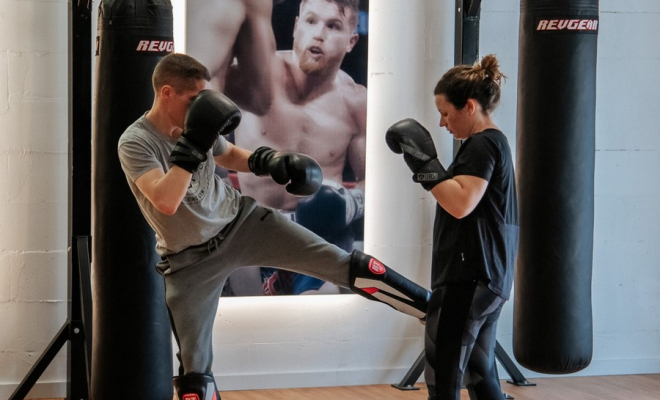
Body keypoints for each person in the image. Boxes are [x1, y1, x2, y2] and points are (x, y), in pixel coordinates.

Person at [117, 52, 430, 400]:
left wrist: (268, 161)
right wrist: (192, 143)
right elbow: (165, 201)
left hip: (242, 223)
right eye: (193, 100)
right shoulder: (136, 142)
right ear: (166, 93)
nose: (199, 107)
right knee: (195, 370)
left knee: (338, 261)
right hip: (190, 261)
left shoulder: (196, 125)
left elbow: (226, 154)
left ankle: (430, 309)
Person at [187, 0, 366, 295]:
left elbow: (370, 183)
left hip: (319, 237)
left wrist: (348, 203)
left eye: (332, 26)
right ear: (296, 27)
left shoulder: (357, 103)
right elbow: (200, 88)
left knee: (318, 311)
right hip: (253, 229)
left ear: (351, 41)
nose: (317, 34)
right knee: (246, 317)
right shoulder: (252, 80)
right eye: (310, 21)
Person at [385, 54, 518, 400]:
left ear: (469, 107)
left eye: (446, 113)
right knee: (479, 374)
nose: (442, 123)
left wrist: (422, 162)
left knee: (443, 379)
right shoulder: (493, 144)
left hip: (468, 277)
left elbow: (460, 203)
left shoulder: (483, 144)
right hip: (487, 278)